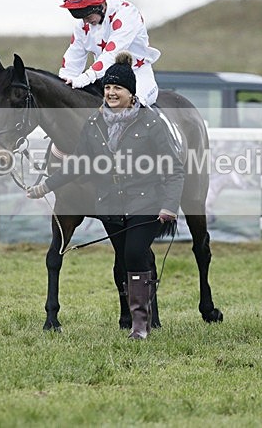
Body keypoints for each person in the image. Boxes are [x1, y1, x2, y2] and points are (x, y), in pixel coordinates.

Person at [27, 52, 184, 339]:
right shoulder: (94, 125)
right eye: (108, 88)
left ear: (130, 93)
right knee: (123, 258)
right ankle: (130, 318)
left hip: (146, 200)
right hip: (111, 201)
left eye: (118, 89)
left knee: (136, 253)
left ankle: (140, 325)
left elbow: (174, 169)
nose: (111, 93)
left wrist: (170, 206)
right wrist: (47, 186)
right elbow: (79, 163)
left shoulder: (151, 123)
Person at [58, 0, 162, 106]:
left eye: (88, 16)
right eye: (80, 17)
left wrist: (86, 77)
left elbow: (112, 53)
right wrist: (62, 81)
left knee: (131, 107)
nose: (85, 22)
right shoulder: (82, 26)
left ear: (100, 6)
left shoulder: (127, 13)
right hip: (104, 80)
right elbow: (74, 55)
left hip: (137, 75)